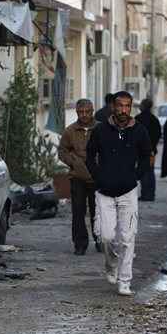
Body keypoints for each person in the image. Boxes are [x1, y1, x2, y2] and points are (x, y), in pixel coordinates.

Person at [86, 91, 151, 296]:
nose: (123, 110)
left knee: (127, 238)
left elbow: (146, 156)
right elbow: (89, 155)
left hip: (128, 192)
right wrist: (98, 176)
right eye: (120, 105)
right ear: (113, 107)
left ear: (131, 107)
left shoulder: (139, 131)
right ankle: (111, 264)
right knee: (105, 237)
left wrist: (135, 177)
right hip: (104, 191)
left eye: (127, 106)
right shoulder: (100, 130)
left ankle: (125, 281)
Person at [58, 99, 100, 256]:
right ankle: (80, 244)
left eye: (87, 111)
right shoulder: (70, 131)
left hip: (97, 177)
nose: (84, 115)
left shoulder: (101, 128)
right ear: (76, 112)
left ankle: (100, 239)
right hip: (78, 177)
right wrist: (73, 162)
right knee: (78, 211)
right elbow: (62, 151)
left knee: (98, 211)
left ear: (92, 111)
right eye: (80, 112)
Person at [134, 99, 162, 201]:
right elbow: (158, 134)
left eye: (141, 105)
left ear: (144, 106)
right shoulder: (154, 119)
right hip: (151, 151)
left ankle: (146, 194)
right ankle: (151, 194)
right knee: (150, 171)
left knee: (144, 172)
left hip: (141, 151)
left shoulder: (138, 119)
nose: (139, 106)